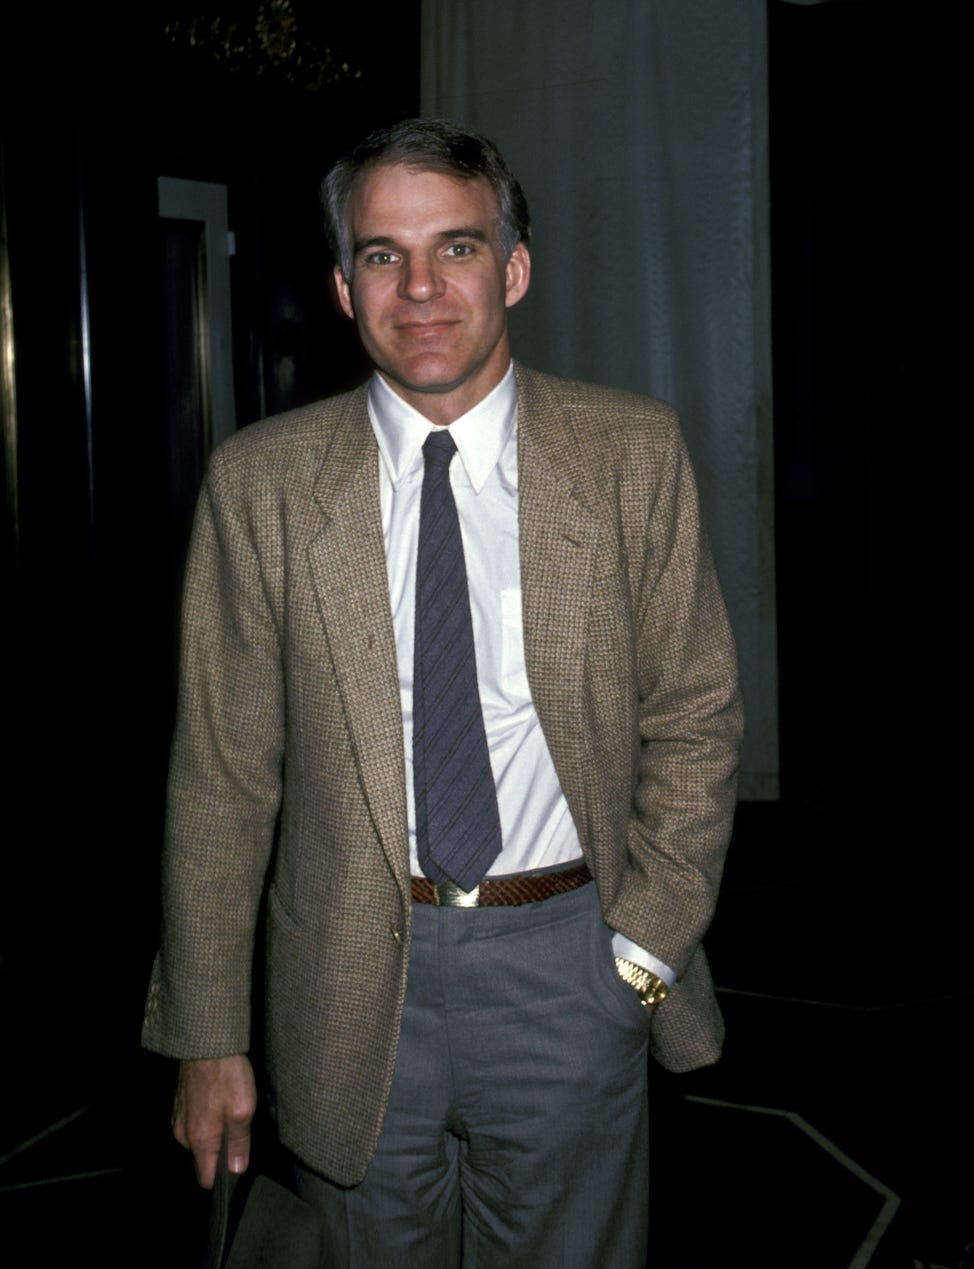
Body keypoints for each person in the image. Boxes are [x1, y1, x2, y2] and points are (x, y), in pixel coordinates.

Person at [143, 117, 743, 1267]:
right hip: (342, 972)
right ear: (340, 284)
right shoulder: (260, 485)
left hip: (569, 961)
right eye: (382, 255)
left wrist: (642, 951)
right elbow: (220, 777)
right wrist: (209, 1033)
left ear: (511, 269)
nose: (419, 287)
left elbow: (695, 716)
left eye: (455, 249)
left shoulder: (628, 455)